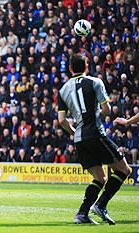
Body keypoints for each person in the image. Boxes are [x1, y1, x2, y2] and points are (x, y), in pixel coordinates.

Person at [58, 55, 131, 225]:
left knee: (99, 177)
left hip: (79, 138)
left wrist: (74, 131)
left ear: (70, 69)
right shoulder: (95, 82)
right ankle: (101, 204)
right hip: (95, 134)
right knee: (124, 169)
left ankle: (82, 213)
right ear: (86, 66)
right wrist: (96, 117)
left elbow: (61, 120)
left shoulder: (63, 90)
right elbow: (106, 109)